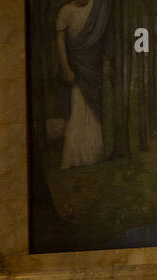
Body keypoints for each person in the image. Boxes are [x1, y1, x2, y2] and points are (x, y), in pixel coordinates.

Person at [56, 0, 110, 168]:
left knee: (93, 109)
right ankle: (75, 157)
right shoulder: (66, 11)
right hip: (77, 67)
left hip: (93, 67)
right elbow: (60, 42)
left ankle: (93, 154)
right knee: (77, 106)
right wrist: (66, 68)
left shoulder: (98, 6)